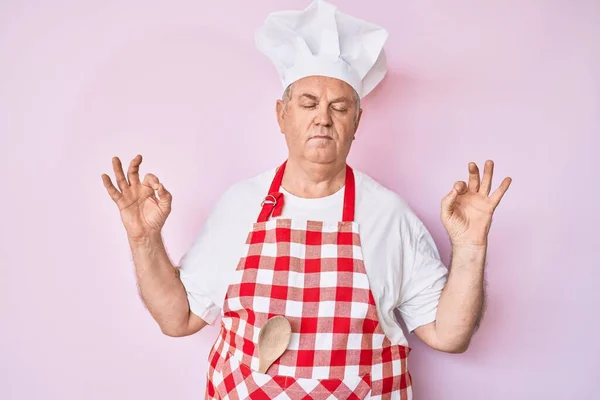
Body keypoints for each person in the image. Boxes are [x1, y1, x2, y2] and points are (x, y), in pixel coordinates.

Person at [101, 1, 512, 398]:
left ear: (357, 121)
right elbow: (178, 319)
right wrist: (143, 239)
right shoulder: (240, 205)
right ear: (282, 115)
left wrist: (470, 246)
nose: (323, 117)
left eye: (340, 106)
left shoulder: (389, 215)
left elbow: (449, 335)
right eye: (308, 103)